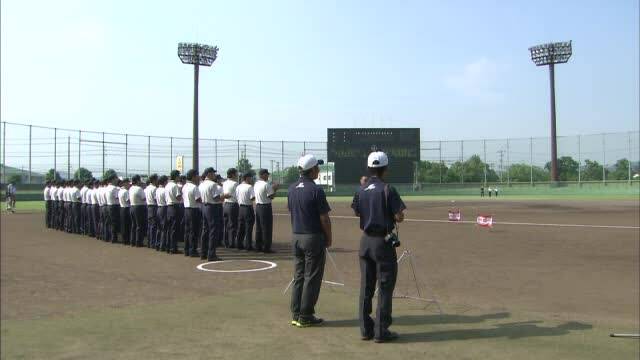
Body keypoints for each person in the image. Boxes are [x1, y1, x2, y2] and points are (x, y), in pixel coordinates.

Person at [351, 151, 406, 343]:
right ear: (385, 168)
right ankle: (381, 331)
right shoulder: (388, 189)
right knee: (384, 286)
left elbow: (357, 212)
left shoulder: (361, 189)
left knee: (366, 287)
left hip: (365, 241)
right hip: (382, 243)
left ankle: (365, 329)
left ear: (369, 168)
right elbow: (399, 216)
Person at [288, 154, 332, 328]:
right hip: (312, 237)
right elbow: (324, 218)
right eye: (317, 168)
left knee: (298, 276)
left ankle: (296, 313)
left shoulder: (291, 188)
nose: (319, 170)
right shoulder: (315, 190)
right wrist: (329, 237)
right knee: (312, 277)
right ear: (312, 170)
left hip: (296, 236)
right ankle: (306, 315)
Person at [199, 168, 223, 261]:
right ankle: (211, 254)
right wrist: (224, 196)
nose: (214, 174)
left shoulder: (202, 184)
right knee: (213, 231)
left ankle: (203, 253)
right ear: (209, 174)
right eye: (213, 173)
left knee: (205, 230)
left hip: (204, 207)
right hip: (212, 207)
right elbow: (216, 198)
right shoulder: (213, 184)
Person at [254, 169, 279, 253]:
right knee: (266, 228)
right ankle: (266, 248)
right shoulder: (266, 184)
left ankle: (258, 246)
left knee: (259, 228)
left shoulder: (256, 184)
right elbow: (271, 196)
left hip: (257, 207)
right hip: (265, 207)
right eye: (266, 174)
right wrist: (275, 189)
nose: (268, 176)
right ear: (262, 175)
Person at [182, 169, 202, 257]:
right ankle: (193, 250)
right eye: (197, 175)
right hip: (194, 210)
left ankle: (186, 249)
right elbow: (198, 199)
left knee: (187, 231)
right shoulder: (194, 187)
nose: (199, 177)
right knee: (194, 231)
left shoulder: (185, 186)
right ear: (193, 176)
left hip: (186, 209)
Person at [236, 172, 256, 251]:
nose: (251, 179)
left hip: (240, 208)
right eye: (250, 177)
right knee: (248, 227)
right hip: (248, 208)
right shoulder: (249, 187)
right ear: (247, 178)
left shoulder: (238, 186)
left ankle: (239, 244)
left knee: (241, 227)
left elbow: (237, 197)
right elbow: (252, 198)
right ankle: (248, 245)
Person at [164, 170, 182, 254]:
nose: (179, 177)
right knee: (174, 228)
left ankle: (168, 246)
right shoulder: (175, 186)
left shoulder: (167, 185)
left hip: (168, 207)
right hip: (174, 207)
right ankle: (173, 248)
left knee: (169, 228)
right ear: (175, 176)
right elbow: (178, 197)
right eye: (178, 175)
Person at [222, 168, 239, 249]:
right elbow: (238, 195)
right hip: (233, 205)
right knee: (233, 224)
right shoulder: (235, 184)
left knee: (226, 224)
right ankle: (231, 243)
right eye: (236, 173)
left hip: (225, 205)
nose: (237, 175)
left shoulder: (224, 183)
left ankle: (226, 242)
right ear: (232, 174)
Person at [129, 175, 147, 247]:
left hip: (132, 207)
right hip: (139, 207)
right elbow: (144, 198)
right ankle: (138, 241)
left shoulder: (131, 188)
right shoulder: (139, 189)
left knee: (133, 225)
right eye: (139, 180)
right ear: (137, 181)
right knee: (139, 225)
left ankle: (132, 241)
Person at [144, 174, 159, 249]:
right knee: (153, 225)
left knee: (150, 225)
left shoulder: (146, 188)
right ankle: (153, 243)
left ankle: (149, 242)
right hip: (153, 207)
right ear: (154, 180)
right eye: (157, 179)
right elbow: (156, 199)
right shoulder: (154, 188)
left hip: (148, 206)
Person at [105, 176, 120, 243]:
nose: (117, 180)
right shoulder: (114, 188)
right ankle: (114, 238)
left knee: (110, 222)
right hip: (114, 206)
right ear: (113, 180)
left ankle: (109, 237)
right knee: (114, 223)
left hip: (109, 205)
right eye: (116, 179)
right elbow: (117, 197)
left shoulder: (107, 187)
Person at [155, 176, 168, 251]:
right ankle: (162, 245)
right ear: (164, 182)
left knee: (159, 228)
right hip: (164, 208)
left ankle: (157, 244)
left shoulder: (157, 190)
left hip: (158, 208)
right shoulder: (164, 190)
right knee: (164, 228)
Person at [118, 179, 132, 245]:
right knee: (127, 225)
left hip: (121, 208)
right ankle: (127, 239)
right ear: (125, 183)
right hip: (126, 208)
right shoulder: (126, 191)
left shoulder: (120, 191)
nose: (129, 185)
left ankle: (124, 239)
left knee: (123, 225)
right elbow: (128, 201)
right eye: (128, 183)